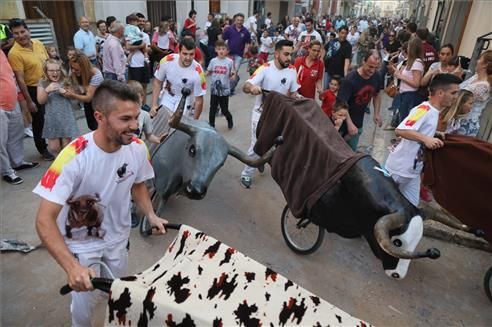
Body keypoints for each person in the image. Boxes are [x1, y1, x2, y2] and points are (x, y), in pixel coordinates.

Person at [34, 80, 168, 326]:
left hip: (118, 239)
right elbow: (44, 219)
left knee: (116, 293)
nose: (135, 126)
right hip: (82, 246)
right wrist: (71, 267)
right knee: (83, 302)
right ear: (100, 117)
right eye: (125, 119)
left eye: (137, 117)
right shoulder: (72, 157)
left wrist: (150, 214)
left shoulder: (137, 149)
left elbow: (138, 183)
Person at [385, 74, 462, 206]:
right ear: (440, 93)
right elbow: (400, 130)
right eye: (453, 93)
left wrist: (434, 134)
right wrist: (426, 138)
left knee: (412, 207)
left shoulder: (433, 111)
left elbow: (417, 129)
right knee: (386, 204)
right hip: (400, 169)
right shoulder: (423, 109)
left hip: (413, 171)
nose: (456, 97)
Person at [240, 39, 300, 189]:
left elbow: (293, 93)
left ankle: (261, 160)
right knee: (256, 145)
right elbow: (245, 86)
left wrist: (300, 99)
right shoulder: (265, 68)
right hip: (260, 114)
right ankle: (247, 173)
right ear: (277, 53)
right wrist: (252, 88)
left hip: (279, 115)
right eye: (286, 54)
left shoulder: (292, 70)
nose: (289, 58)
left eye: (291, 54)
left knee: (277, 144)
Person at [8, 18, 54, 161]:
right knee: (39, 120)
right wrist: (29, 101)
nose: (20, 35)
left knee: (52, 115)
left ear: (29, 30)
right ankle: (42, 148)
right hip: (32, 89)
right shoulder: (14, 53)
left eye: (23, 31)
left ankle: (57, 142)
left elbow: (48, 63)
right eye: (16, 33)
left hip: (47, 85)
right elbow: (20, 80)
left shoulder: (38, 43)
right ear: (12, 35)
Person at [1, 50, 39, 185]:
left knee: (16, 135)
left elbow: (11, 78)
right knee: (1, 142)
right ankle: (7, 171)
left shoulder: (2, 53)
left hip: (12, 102)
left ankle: (17, 162)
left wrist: (21, 99)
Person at [151, 38, 206, 120]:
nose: (188, 58)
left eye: (191, 54)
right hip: (168, 94)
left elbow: (199, 100)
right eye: (185, 54)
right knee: (163, 120)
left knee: (178, 125)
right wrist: (154, 104)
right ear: (179, 52)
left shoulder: (198, 72)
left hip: (185, 99)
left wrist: (194, 122)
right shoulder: (167, 60)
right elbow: (157, 82)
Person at [338, 49, 382, 151]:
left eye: (376, 67)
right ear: (363, 61)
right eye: (370, 66)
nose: (372, 71)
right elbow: (342, 104)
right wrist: (349, 123)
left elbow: (377, 94)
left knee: (351, 151)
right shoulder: (350, 80)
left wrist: (376, 113)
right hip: (342, 122)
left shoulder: (377, 76)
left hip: (358, 122)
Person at [37, 59, 79, 154]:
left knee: (66, 146)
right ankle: (59, 162)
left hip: (66, 116)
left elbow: (74, 97)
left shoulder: (65, 80)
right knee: (54, 148)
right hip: (52, 118)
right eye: (51, 70)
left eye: (57, 70)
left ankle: (65, 166)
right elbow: (40, 101)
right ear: (46, 71)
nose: (55, 73)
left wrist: (63, 91)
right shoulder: (43, 82)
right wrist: (47, 90)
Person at [388, 37, 425, 124]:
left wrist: (401, 76)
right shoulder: (410, 61)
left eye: (409, 47)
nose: (407, 49)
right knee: (401, 116)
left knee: (405, 119)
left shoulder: (417, 63)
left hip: (409, 95)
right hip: (403, 93)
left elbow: (416, 83)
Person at [64, 51, 104, 131]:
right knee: (92, 126)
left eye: (76, 69)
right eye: (72, 68)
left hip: (99, 103)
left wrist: (73, 94)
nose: (73, 71)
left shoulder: (96, 74)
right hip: (88, 103)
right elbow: (76, 88)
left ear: (84, 68)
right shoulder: (74, 72)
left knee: (99, 127)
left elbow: (88, 98)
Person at [459, 50, 492, 136]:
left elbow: (460, 98)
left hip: (466, 123)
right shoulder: (476, 76)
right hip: (458, 119)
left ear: (485, 65)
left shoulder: (483, 86)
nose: (477, 61)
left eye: (480, 59)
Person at [207, 40, 235, 129]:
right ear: (216, 50)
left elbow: (233, 72)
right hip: (214, 89)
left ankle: (230, 120)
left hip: (225, 90)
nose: (221, 51)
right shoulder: (213, 61)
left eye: (223, 49)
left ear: (227, 51)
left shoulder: (230, 62)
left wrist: (233, 76)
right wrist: (204, 74)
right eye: (219, 49)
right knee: (212, 108)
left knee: (224, 109)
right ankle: (211, 125)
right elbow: (209, 71)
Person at [223, 13, 251, 94]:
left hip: (239, 55)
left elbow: (248, 42)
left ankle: (230, 90)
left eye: (241, 20)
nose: (239, 22)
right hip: (229, 54)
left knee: (234, 72)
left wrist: (246, 49)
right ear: (235, 20)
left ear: (243, 21)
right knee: (228, 71)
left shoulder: (245, 31)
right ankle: (236, 79)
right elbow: (223, 39)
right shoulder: (229, 29)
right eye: (238, 20)